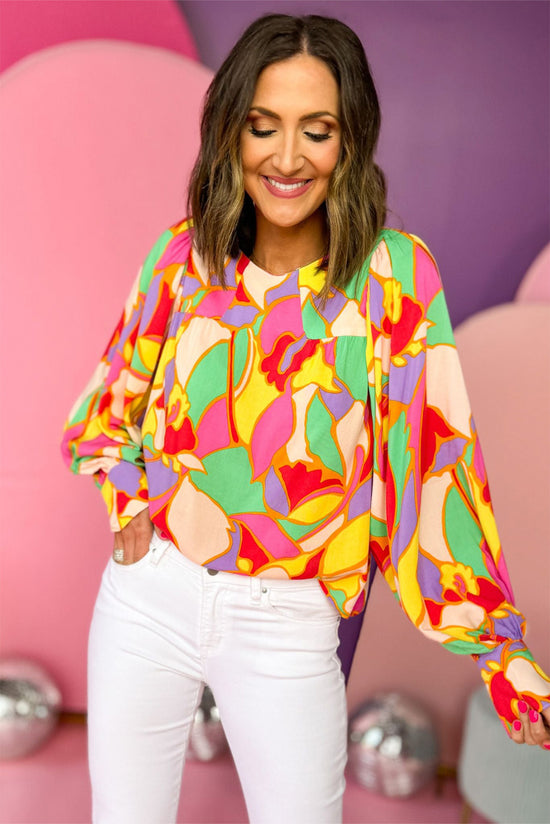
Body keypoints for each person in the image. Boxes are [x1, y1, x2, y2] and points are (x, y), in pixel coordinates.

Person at [61, 13, 550, 824]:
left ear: (351, 138)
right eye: (263, 126)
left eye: (315, 130)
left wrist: (501, 652)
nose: (287, 158)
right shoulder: (185, 256)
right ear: (231, 132)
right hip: (149, 601)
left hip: (286, 625)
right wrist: (131, 493)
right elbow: (107, 406)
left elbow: (437, 465)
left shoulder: (394, 277)